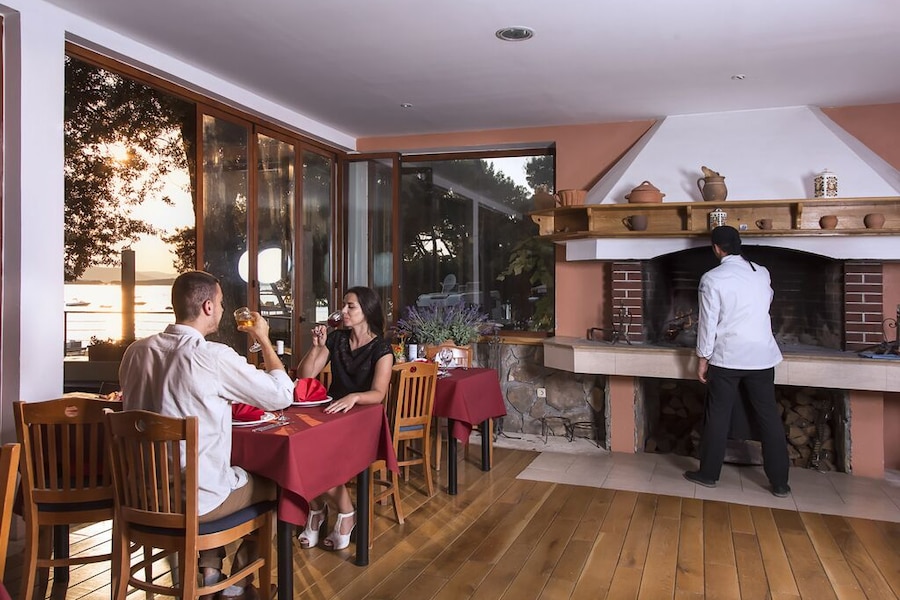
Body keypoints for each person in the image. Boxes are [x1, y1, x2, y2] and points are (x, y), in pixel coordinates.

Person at [120, 271, 293, 599]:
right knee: (281, 484)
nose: (223, 310)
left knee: (213, 475)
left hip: (141, 496)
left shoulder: (135, 352)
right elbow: (281, 394)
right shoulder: (212, 357)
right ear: (208, 307)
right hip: (194, 503)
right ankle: (237, 584)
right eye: (222, 303)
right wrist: (264, 339)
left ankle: (211, 573)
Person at [684, 226, 791, 498]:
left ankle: (708, 474)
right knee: (768, 417)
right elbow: (765, 303)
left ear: (716, 248)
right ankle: (780, 483)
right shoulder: (762, 272)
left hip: (728, 356)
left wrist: (702, 358)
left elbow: (708, 323)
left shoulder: (712, 278)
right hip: (762, 356)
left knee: (718, 415)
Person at [295, 286, 393, 550]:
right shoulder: (337, 339)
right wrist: (316, 347)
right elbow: (306, 376)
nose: (343, 311)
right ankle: (326, 509)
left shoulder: (382, 348)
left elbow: (378, 394)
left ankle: (336, 513)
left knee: (318, 455)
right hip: (332, 414)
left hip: (363, 419)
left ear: (367, 311)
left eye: (351, 306)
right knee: (301, 449)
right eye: (344, 305)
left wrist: (354, 397)